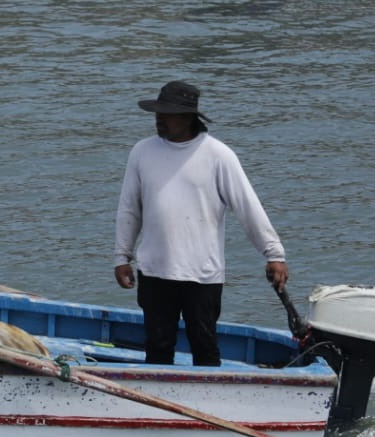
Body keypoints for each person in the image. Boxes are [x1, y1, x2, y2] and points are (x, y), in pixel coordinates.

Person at [113, 81, 287, 367]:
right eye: (157, 112)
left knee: (205, 347)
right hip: (155, 271)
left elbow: (248, 206)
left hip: (202, 275)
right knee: (157, 348)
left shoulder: (218, 155)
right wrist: (122, 256)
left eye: (166, 113)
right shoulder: (142, 152)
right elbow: (130, 209)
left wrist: (274, 253)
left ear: (187, 117)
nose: (159, 118)